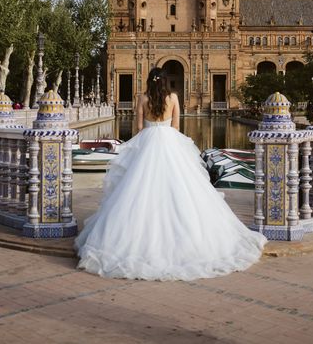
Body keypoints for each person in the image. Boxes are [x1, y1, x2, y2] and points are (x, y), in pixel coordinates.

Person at [75, 67, 266, 281]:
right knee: (182, 188)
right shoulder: (174, 97)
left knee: (138, 189)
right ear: (165, 82)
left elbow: (138, 128)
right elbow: (176, 126)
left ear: (149, 81)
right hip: (170, 143)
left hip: (147, 143)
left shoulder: (142, 98)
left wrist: (147, 136)